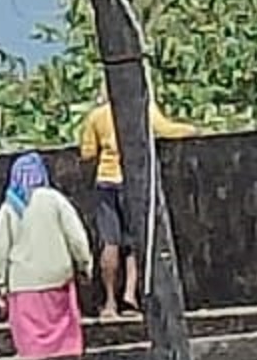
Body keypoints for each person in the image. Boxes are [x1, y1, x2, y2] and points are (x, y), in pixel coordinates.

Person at [78, 92, 198, 319]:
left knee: (109, 243)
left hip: (105, 182)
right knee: (133, 243)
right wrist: (193, 130)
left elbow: (87, 152)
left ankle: (110, 303)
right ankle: (130, 296)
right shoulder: (141, 109)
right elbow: (165, 129)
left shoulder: (96, 116)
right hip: (131, 181)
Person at [0, 152, 93, 360]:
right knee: (64, 339)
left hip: (23, 285)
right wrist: (84, 265)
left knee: (32, 344)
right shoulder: (55, 200)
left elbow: (0, 249)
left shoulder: (10, 206)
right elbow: (77, 238)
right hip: (57, 281)